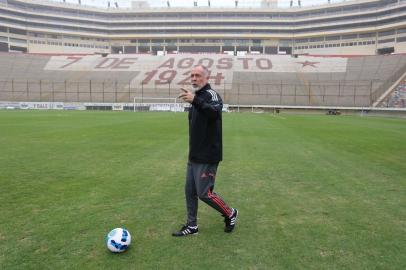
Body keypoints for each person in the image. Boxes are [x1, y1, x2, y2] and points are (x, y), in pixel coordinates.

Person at [172, 65, 238, 237]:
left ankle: (230, 213)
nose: (194, 78)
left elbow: (215, 112)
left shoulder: (210, 95)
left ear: (207, 78)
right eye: (192, 75)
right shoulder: (195, 97)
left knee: (204, 193)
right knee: (189, 191)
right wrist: (194, 100)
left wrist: (195, 100)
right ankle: (192, 225)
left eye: (198, 75)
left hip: (208, 155)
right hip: (194, 155)